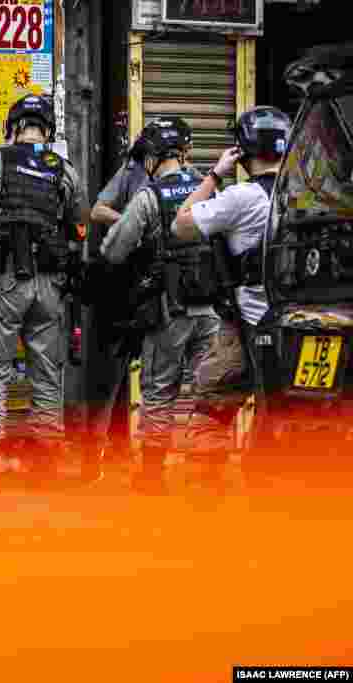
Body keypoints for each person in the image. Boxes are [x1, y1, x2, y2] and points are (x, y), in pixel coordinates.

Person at [0, 94, 88, 493]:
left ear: (13, 126)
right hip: (50, 285)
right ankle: (45, 465)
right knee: (47, 373)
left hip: (4, 280)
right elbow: (80, 227)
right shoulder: (65, 170)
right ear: (47, 130)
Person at [172, 106, 291, 487]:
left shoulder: (240, 197)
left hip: (248, 324)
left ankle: (204, 494)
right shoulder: (308, 195)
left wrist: (214, 174)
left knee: (211, 405)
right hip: (299, 326)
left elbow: (181, 225)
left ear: (242, 150)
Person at [100, 117, 220, 495]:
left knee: (158, 394)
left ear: (152, 159)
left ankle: (152, 477)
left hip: (169, 312)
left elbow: (113, 250)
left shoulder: (149, 196)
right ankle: (208, 475)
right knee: (210, 394)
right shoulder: (208, 189)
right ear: (184, 153)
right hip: (212, 311)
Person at [81, 132, 187, 483]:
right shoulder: (130, 173)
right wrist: (130, 221)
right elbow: (97, 210)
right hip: (123, 288)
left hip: (161, 291)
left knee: (157, 377)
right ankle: (95, 457)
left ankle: (147, 458)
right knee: (111, 376)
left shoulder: (180, 180)